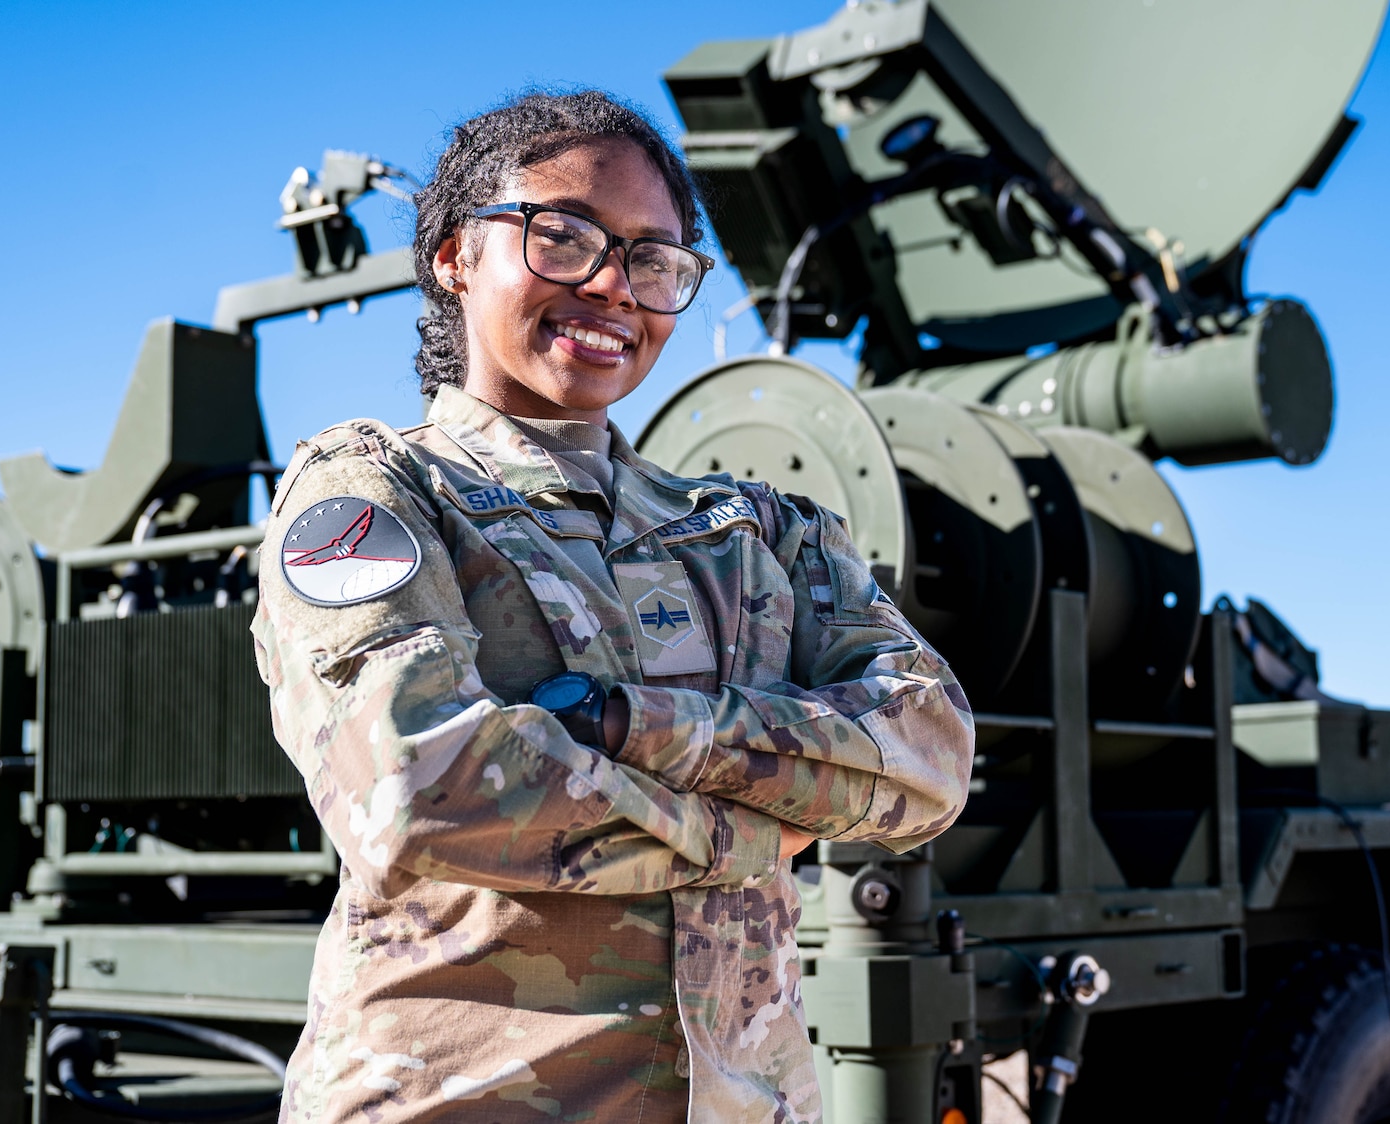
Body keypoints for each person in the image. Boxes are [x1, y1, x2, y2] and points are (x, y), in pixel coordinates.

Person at [250, 90, 973, 1124]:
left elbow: (931, 753)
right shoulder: (374, 492)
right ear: (456, 256)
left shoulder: (761, 531)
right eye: (562, 236)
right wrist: (758, 830)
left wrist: (633, 728)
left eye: (652, 260)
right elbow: (420, 786)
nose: (610, 286)